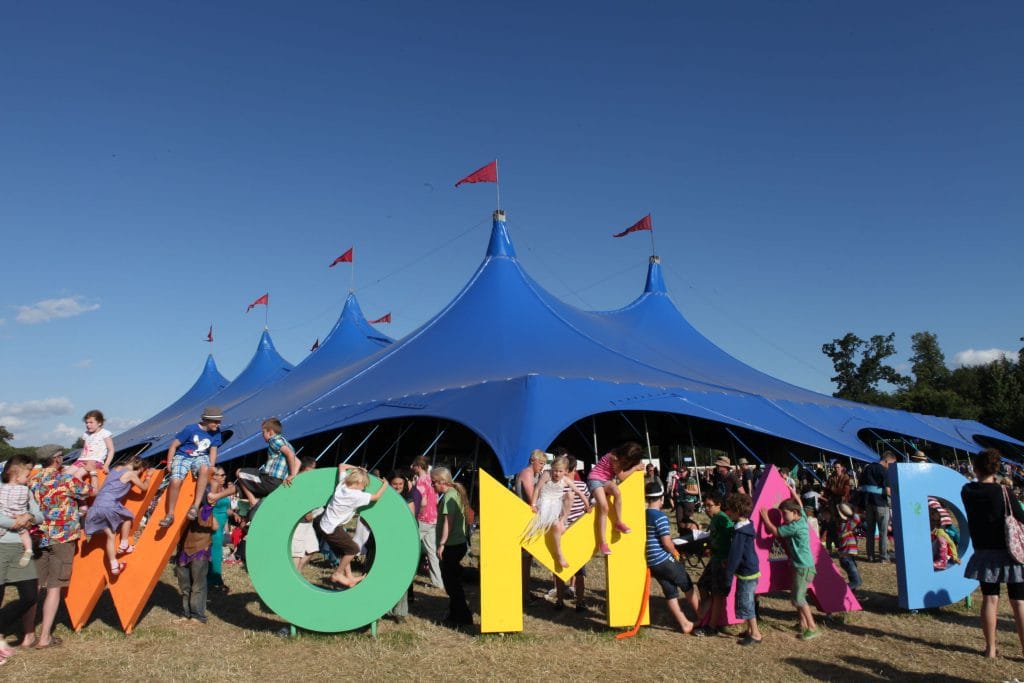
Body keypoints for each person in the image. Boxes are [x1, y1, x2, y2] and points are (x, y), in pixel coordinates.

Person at [27, 444, 96, 650]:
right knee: (54, 588)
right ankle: (45, 637)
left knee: (35, 586)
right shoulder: (64, 479)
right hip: (62, 538)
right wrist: (92, 471)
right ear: (56, 459)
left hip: (38, 537)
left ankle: (28, 635)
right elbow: (91, 492)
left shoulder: (33, 479)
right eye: (61, 456)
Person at [961, 448, 1024, 659]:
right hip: (1010, 552)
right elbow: (1021, 517)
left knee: (990, 598)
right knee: (1018, 602)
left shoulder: (967, 491)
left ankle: (990, 649)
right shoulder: (1004, 492)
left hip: (984, 552)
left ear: (976, 468)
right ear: (997, 469)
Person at [760, 486, 820, 640]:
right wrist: (791, 489)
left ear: (794, 513)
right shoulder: (802, 518)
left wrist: (765, 517)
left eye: (784, 513)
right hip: (800, 566)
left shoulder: (794, 527)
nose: (783, 517)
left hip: (803, 568)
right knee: (795, 597)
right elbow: (799, 503)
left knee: (798, 599)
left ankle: (812, 627)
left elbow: (776, 532)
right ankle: (802, 623)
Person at [0, 454, 44, 663]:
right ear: (14, 472)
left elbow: (39, 514)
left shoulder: (26, 492)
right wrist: (15, 522)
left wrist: (29, 517)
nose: (30, 476)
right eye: (27, 472)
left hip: (20, 547)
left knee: (30, 596)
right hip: (1, 546)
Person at [319, 464, 386, 588]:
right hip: (332, 528)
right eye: (364, 485)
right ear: (359, 481)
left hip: (325, 525)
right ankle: (337, 574)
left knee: (346, 551)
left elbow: (342, 466)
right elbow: (376, 497)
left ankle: (349, 578)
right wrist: (385, 485)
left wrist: (359, 469)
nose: (364, 488)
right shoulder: (356, 495)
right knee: (353, 549)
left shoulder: (342, 485)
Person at [83, 456, 150, 575]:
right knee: (128, 517)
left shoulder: (116, 468)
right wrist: (148, 477)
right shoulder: (131, 474)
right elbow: (144, 488)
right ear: (139, 467)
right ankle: (124, 544)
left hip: (96, 506)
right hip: (109, 505)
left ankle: (114, 566)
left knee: (110, 535)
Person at [645, 481, 695, 634]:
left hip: (652, 561)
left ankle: (684, 623)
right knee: (687, 584)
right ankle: (702, 616)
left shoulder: (644, 514)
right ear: (661, 498)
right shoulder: (660, 516)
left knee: (670, 592)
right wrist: (675, 553)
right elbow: (666, 542)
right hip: (663, 558)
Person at [523, 456, 590, 572]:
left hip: (557, 504)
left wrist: (587, 505)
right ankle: (559, 553)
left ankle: (563, 520)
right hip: (545, 503)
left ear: (565, 471)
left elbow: (579, 492)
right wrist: (533, 504)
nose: (557, 474)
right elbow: (537, 488)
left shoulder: (565, 480)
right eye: (555, 470)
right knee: (556, 525)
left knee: (570, 494)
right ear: (551, 468)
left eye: (560, 471)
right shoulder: (547, 475)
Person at [160, 407, 223, 527]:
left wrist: (212, 466)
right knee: (175, 480)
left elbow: (213, 450)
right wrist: (169, 463)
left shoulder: (216, 432)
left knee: (205, 468)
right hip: (183, 455)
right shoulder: (190, 429)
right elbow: (173, 446)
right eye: (215, 421)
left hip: (200, 456)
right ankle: (170, 514)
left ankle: (194, 506)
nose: (218, 424)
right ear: (206, 420)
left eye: (219, 421)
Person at [431, 466, 474, 628]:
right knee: (453, 581)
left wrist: (441, 544)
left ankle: (462, 616)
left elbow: (448, 523)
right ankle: (455, 614)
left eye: (433, 482)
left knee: (452, 584)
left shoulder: (449, 497)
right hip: (458, 543)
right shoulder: (454, 493)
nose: (432, 485)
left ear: (442, 481)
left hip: (451, 545)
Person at [587, 442, 645, 555]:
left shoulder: (621, 458)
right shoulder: (615, 458)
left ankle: (618, 522)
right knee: (604, 507)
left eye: (629, 461)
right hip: (595, 479)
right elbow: (622, 477)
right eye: (626, 459)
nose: (626, 462)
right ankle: (603, 543)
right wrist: (635, 467)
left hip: (606, 480)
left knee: (617, 493)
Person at [235, 417, 299, 517]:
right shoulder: (288, 443)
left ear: (270, 432)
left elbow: (289, 454)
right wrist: (293, 475)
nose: (262, 435)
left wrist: (291, 474)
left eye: (263, 432)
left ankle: (252, 501)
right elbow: (298, 462)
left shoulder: (274, 440)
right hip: (279, 482)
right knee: (248, 479)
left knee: (239, 472)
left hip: (270, 480)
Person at [723, 492, 761, 646]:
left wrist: (728, 576)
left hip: (746, 572)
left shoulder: (740, 533)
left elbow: (735, 557)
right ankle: (750, 630)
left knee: (746, 602)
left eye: (730, 510)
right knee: (747, 600)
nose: (728, 512)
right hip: (751, 569)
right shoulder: (746, 526)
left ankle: (756, 634)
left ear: (737, 512)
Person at [554, 454, 590, 612]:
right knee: (580, 570)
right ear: (574, 469)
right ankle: (580, 602)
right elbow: (588, 506)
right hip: (578, 531)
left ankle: (560, 601)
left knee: (559, 569)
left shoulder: (556, 485)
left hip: (561, 530)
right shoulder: (581, 486)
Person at [695, 490, 732, 636]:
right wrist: (710, 548)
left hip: (721, 561)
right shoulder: (715, 519)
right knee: (702, 584)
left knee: (717, 593)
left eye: (710, 506)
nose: (707, 509)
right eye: (705, 506)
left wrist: (726, 558)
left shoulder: (723, 519)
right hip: (714, 559)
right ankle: (708, 613)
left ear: (719, 505)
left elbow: (730, 537)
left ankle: (712, 626)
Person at [174, 500, 218, 624]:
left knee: (198, 585)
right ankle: (186, 613)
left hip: (200, 548)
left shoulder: (205, 508)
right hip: (183, 549)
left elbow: (215, 526)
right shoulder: (180, 508)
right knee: (184, 586)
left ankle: (197, 615)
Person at [387, 469, 418, 623]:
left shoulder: (408, 499)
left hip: (402, 542)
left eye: (400, 484)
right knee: (386, 575)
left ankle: (399, 611)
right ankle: (384, 608)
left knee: (401, 577)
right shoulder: (384, 497)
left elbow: (411, 523)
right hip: (386, 541)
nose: (397, 486)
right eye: (394, 484)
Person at [410, 455, 443, 590]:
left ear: (418, 467)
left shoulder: (421, 481)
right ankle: (438, 582)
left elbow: (422, 502)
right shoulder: (431, 479)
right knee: (432, 552)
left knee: (410, 547)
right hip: (434, 518)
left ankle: (405, 574)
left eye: (414, 465)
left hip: (423, 519)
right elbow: (435, 500)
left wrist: (416, 513)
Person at [861, 451, 896, 562]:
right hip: (881, 504)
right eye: (891, 463)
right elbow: (888, 491)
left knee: (870, 532)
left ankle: (870, 556)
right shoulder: (885, 471)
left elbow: (861, 485)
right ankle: (883, 556)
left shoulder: (868, 468)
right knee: (883, 532)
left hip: (868, 503)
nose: (892, 466)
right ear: (886, 461)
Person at [205, 465, 236, 592]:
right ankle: (215, 581)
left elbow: (226, 508)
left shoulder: (223, 489)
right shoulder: (212, 489)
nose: (224, 477)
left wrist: (234, 514)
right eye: (221, 475)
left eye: (224, 475)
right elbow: (208, 506)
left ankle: (211, 579)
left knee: (214, 551)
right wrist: (213, 519)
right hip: (215, 523)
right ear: (213, 476)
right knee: (216, 551)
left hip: (223, 523)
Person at [0, 461, 35, 567]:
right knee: (25, 535)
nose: (28, 478)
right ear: (17, 477)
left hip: (6, 515)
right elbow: (28, 502)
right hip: (20, 516)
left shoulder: (2, 488)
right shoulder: (25, 490)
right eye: (26, 476)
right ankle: (28, 550)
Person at [289, 458, 320, 572]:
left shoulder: (307, 482)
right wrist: (322, 509)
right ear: (307, 468)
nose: (314, 472)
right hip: (298, 524)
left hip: (307, 524)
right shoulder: (297, 482)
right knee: (297, 553)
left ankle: (297, 575)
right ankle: (292, 579)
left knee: (312, 549)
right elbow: (308, 515)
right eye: (312, 469)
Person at [74, 409, 115, 473]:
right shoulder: (86, 434)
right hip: (82, 459)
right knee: (66, 474)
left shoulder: (105, 433)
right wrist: (78, 460)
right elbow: (84, 449)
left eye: (91, 422)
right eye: (86, 422)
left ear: (99, 423)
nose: (88, 425)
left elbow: (111, 450)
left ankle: (83, 483)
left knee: (77, 475)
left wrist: (106, 465)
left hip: (95, 460)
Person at [836, 503, 862, 594]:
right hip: (847, 558)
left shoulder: (843, 526)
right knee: (857, 582)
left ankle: (850, 598)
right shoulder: (846, 526)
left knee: (853, 580)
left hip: (847, 558)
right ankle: (839, 592)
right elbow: (857, 518)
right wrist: (851, 513)